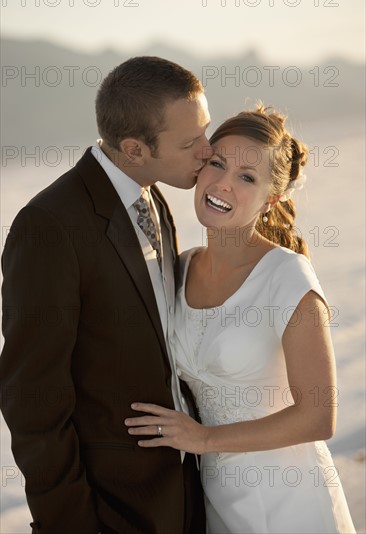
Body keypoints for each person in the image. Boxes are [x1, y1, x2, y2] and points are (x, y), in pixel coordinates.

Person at [0, 56, 212, 533]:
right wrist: (72, 523)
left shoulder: (153, 197)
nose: (208, 149)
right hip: (109, 510)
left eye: (205, 130)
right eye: (189, 141)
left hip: (183, 496)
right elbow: (32, 398)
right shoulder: (49, 226)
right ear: (134, 149)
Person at [124, 105, 356, 533]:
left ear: (272, 198)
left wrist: (203, 439)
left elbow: (319, 416)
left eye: (246, 177)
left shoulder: (287, 276)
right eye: (217, 163)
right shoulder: (182, 268)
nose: (223, 184)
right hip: (217, 499)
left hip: (289, 499)